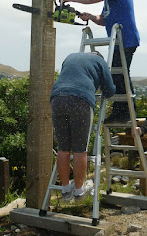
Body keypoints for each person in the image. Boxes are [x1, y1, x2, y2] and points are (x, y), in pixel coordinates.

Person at [60, 0, 140, 122]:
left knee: (120, 76)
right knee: (119, 76)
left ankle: (124, 113)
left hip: (126, 39)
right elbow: (103, 20)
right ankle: (124, 112)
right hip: (118, 41)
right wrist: (90, 16)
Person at [50, 51, 116, 201]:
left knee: (63, 148)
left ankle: (66, 190)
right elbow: (109, 91)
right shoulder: (101, 62)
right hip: (80, 100)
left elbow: (69, 77)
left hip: (57, 97)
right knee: (80, 149)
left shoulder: (70, 56)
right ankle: (79, 191)